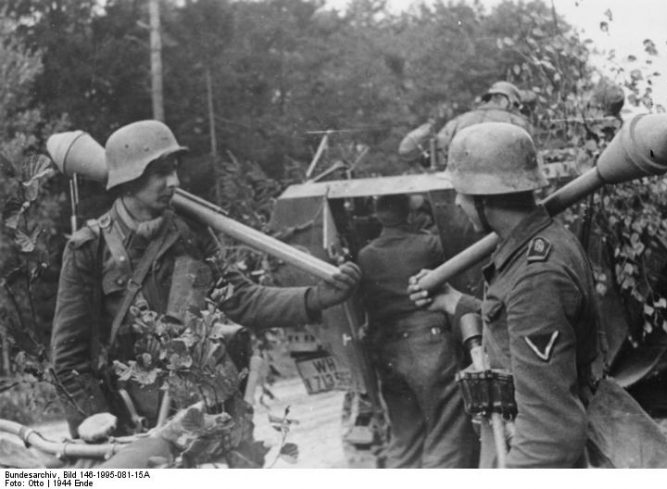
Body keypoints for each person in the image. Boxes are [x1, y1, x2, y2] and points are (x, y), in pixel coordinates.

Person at [51, 120, 361, 467]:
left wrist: (315, 298)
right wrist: (90, 419)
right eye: (162, 173)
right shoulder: (89, 249)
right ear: (130, 179)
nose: (176, 182)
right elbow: (67, 357)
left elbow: (242, 299)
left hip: (207, 412)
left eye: (175, 170)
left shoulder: (189, 232)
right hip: (131, 422)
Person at [408, 122, 600, 468]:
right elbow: (516, 322)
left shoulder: (536, 274)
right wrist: (453, 301)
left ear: (483, 198)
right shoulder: (540, 245)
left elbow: (549, 434)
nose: (456, 201)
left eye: (461, 192)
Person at [356, 194, 477, 468]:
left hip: (388, 349)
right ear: (408, 215)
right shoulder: (428, 245)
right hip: (429, 345)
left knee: (404, 439)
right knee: (446, 430)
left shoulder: (365, 255)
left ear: (378, 216)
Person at [398, 81, 532, 170]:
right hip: (505, 187)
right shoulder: (518, 123)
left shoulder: (458, 121)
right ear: (509, 101)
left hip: (465, 188)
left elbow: (436, 152)